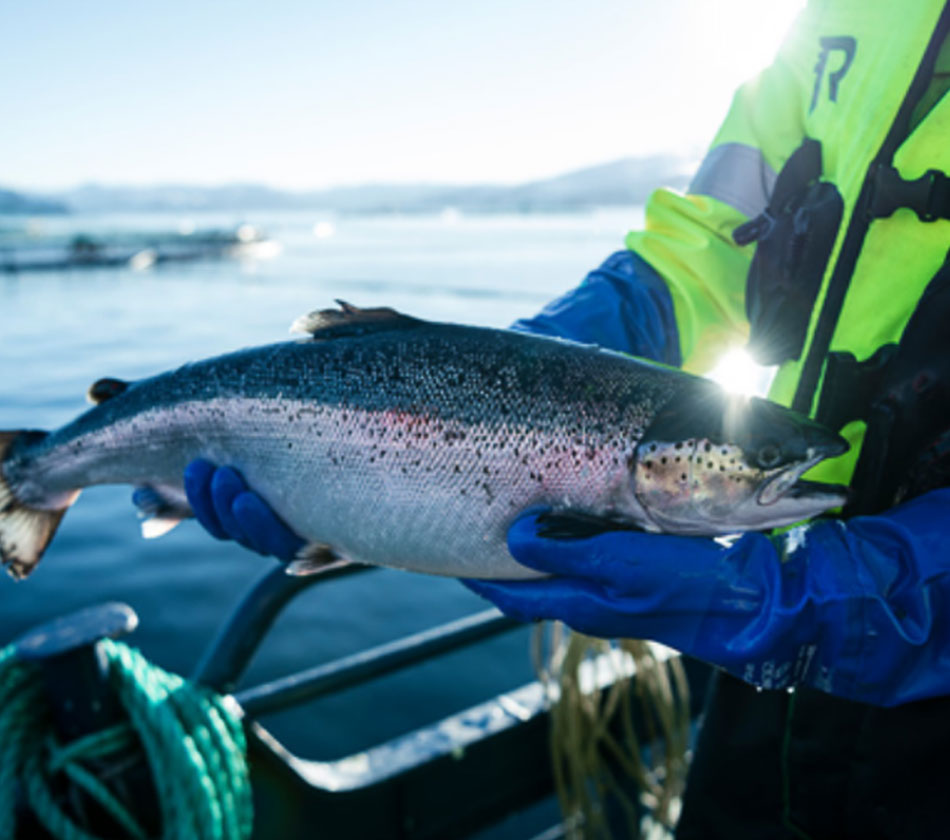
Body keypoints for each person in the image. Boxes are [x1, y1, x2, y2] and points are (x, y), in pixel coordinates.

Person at [183, 2, 950, 836]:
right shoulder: (844, 15)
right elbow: (696, 258)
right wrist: (510, 375)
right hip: (768, 681)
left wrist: (831, 600)